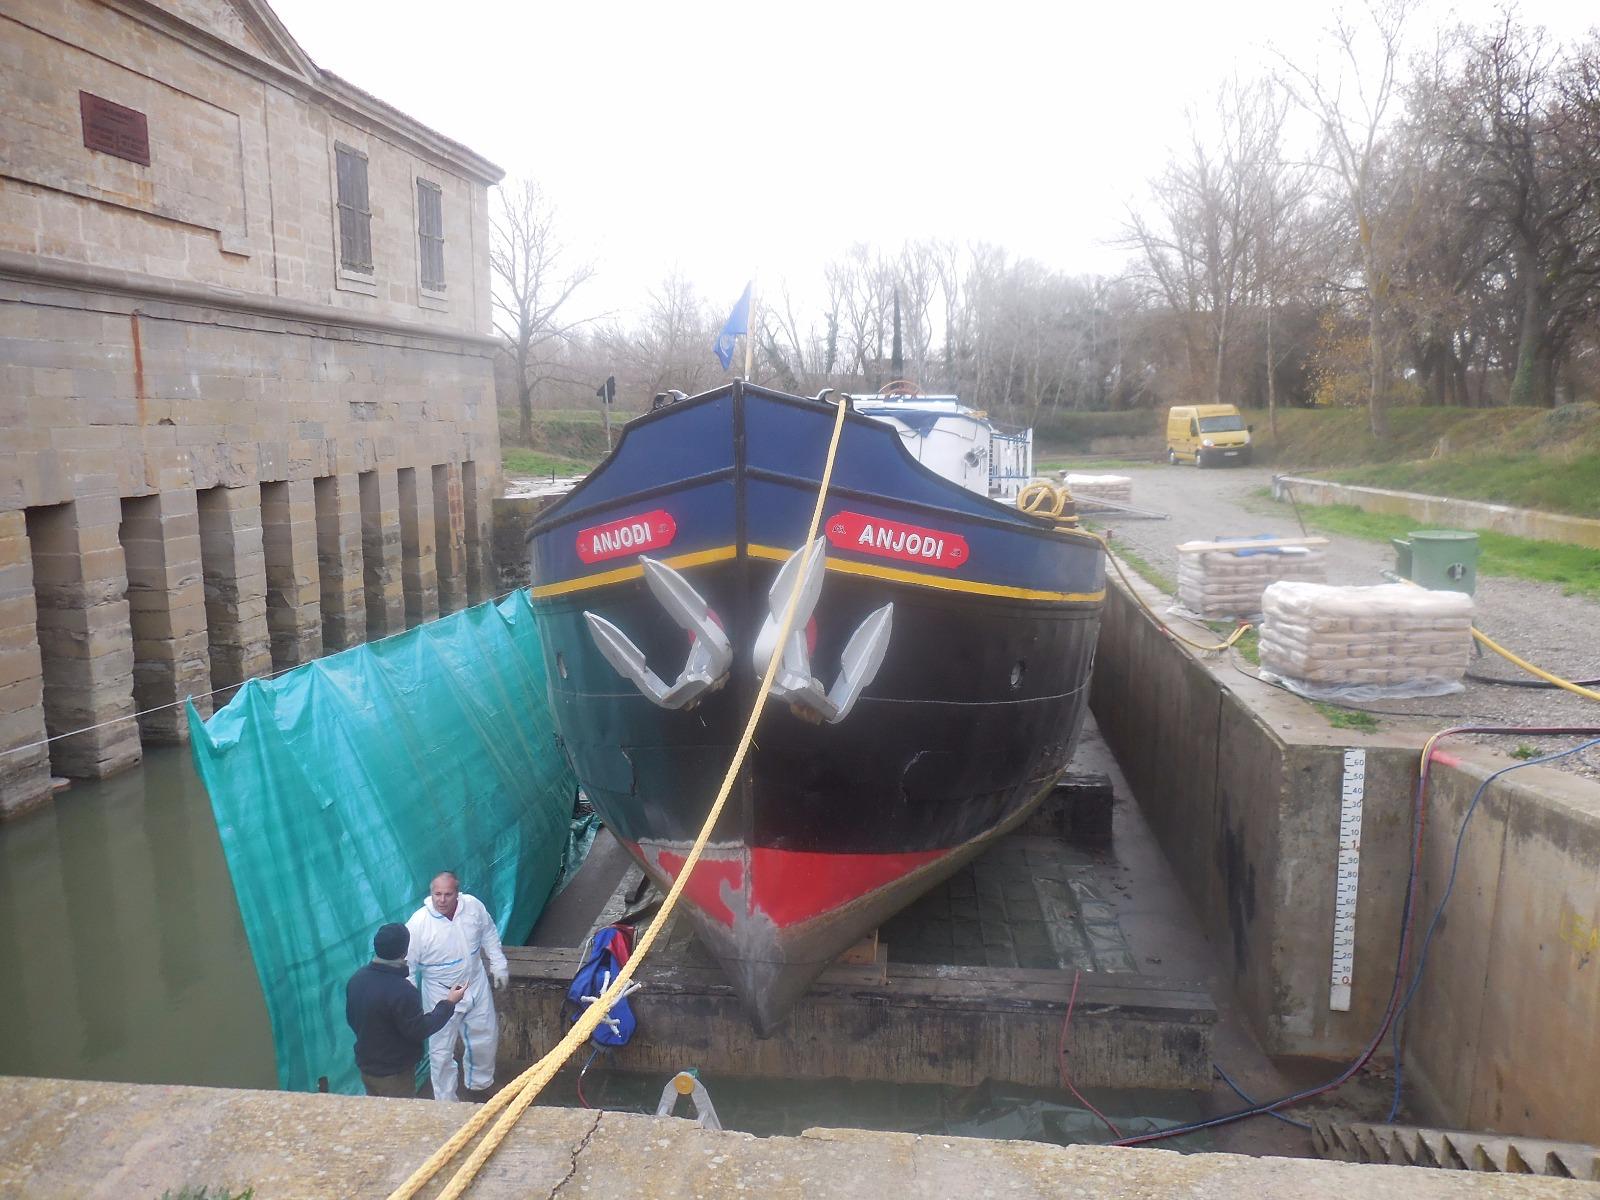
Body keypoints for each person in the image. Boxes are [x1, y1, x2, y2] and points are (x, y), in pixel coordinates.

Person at [406, 871, 509, 1102]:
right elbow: (407, 966)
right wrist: (410, 999)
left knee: (485, 1036)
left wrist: (498, 963)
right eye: (437, 894)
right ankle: (446, 1101)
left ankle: (480, 1082)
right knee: (441, 1051)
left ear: (457, 893)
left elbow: (488, 932)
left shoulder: (472, 907)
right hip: (440, 993)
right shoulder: (418, 924)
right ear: (431, 893)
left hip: (475, 982)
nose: (442, 900)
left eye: (448, 894)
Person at [345, 923, 466, 1098]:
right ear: (404, 952)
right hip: (394, 1073)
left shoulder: (356, 980)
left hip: (367, 1067)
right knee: (399, 1112)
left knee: (376, 1108)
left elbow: (352, 1019)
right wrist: (449, 1003)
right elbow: (419, 1030)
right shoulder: (402, 990)